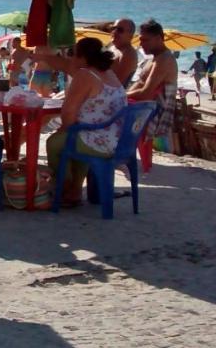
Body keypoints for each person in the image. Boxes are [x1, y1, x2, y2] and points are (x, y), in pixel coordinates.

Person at [46, 37, 127, 207]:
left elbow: (68, 112)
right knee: (75, 136)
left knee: (54, 143)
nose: (71, 59)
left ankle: (68, 188)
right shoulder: (109, 72)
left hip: (100, 141)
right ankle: (75, 189)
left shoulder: (85, 75)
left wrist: (63, 129)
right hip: (119, 140)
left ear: (83, 57)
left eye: (74, 55)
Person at [128, 19, 179, 152]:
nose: (141, 44)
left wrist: (121, 95)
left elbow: (146, 92)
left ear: (158, 38)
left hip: (152, 116)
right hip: (142, 110)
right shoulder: (155, 59)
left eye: (145, 40)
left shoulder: (164, 59)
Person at [109, 18, 140, 86]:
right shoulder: (112, 48)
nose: (114, 32)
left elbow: (117, 83)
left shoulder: (128, 54)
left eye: (120, 30)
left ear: (130, 35)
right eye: (113, 28)